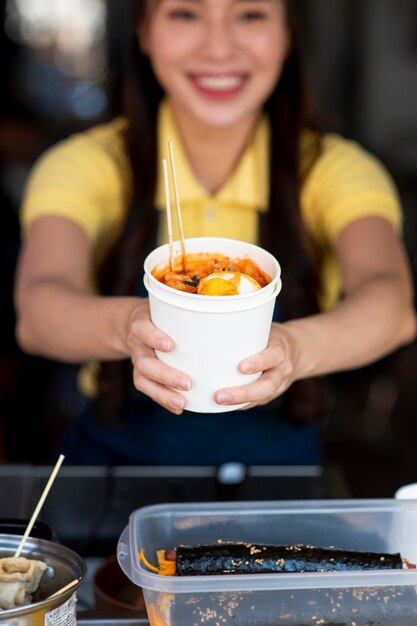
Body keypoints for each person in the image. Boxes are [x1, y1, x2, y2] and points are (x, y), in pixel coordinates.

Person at [14, 0, 416, 466]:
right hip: (113, 468)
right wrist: (129, 328)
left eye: (250, 15)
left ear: (288, 34)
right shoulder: (85, 165)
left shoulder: (334, 170)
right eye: (185, 14)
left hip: (276, 471)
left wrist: (296, 350)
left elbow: (391, 303)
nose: (218, 47)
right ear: (144, 30)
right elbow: (37, 310)